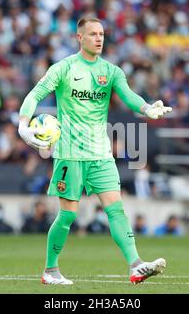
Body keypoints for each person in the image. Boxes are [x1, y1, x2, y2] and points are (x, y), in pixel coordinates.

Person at [18, 17, 171, 285]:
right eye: (92, 34)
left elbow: (128, 95)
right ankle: (50, 271)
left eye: (101, 34)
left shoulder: (111, 71)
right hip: (70, 154)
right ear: (80, 37)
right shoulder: (64, 68)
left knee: (116, 210)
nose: (99, 38)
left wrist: (147, 108)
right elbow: (35, 94)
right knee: (67, 215)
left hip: (101, 154)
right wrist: (22, 125)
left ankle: (135, 265)